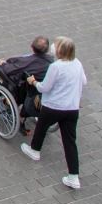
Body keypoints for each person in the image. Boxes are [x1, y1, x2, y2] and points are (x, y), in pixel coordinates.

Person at [22, 37, 87, 190]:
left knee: (41, 128)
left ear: (59, 51)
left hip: (53, 106)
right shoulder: (77, 63)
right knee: (70, 141)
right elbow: (83, 81)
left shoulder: (56, 66)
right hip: (72, 108)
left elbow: (44, 88)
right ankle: (73, 177)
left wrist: (33, 82)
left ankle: (35, 150)